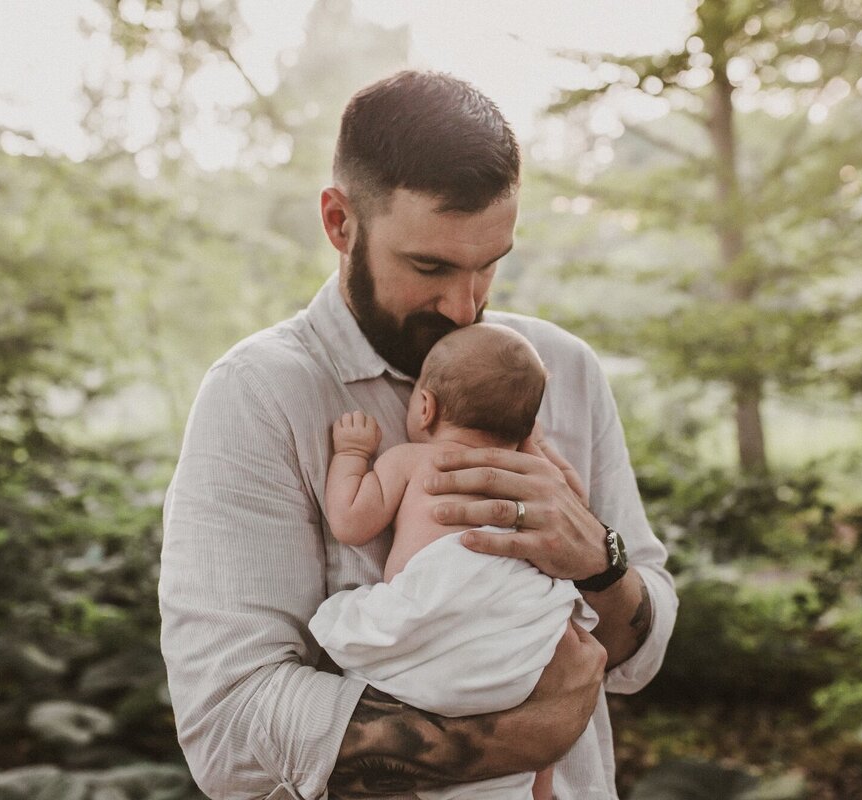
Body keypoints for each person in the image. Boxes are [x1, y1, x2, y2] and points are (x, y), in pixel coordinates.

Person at [159, 70, 679, 800]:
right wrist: (503, 744)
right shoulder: (258, 395)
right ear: (340, 222)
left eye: (490, 264)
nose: (466, 308)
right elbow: (228, 723)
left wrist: (600, 558)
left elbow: (638, 656)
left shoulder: (562, 369)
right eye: (429, 266)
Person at [312, 323, 597, 800]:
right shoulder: (535, 476)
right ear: (527, 427)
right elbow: (579, 509)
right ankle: (538, 787)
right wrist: (540, 450)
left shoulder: (412, 460)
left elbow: (350, 522)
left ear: (425, 406)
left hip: (434, 650)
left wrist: (351, 453)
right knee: (535, 747)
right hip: (518, 655)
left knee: (357, 632)